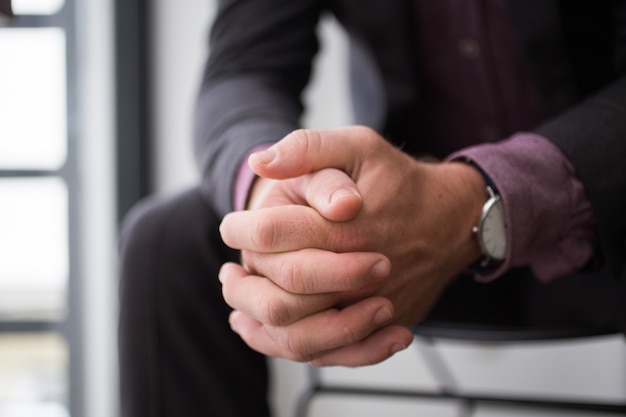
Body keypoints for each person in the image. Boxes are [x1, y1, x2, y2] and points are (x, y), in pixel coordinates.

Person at [118, 1, 626, 416]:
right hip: (397, 249)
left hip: (600, 217)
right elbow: (243, 69)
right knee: (169, 239)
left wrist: (473, 200)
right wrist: (277, 193)